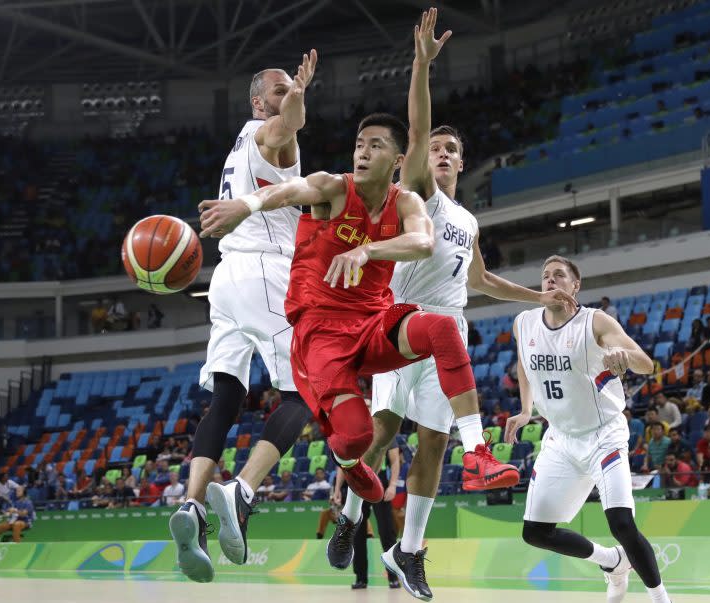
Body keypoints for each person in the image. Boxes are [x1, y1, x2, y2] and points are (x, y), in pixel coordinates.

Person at [199, 110, 528, 577]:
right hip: (320, 334)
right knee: (359, 440)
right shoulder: (333, 187)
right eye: (359, 143)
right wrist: (246, 206)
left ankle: (476, 449)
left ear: (396, 159)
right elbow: (288, 190)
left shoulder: (407, 204)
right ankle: (342, 494)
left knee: (440, 330)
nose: (362, 151)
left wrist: (368, 249)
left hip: (373, 322)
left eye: (375, 145)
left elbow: (421, 242)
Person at [324, 10, 577, 600]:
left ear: (462, 161)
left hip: (447, 335)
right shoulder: (421, 197)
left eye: (449, 150)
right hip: (400, 330)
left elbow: (482, 280)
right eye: (434, 147)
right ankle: (351, 517)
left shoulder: (467, 219)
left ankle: (409, 551)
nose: (439, 152)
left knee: (434, 444)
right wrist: (421, 65)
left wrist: (539, 295)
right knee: (377, 438)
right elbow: (416, 128)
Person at [169, 50, 319, 583]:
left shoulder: (238, 144)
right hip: (265, 274)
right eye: (276, 90)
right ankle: (242, 490)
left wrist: (293, 97)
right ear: (259, 101)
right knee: (307, 392)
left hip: (226, 280)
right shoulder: (268, 133)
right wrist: (298, 95)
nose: (285, 96)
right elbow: (290, 124)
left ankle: (191, 506)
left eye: (287, 89)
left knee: (227, 397)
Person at [506, 255, 672, 603]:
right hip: (561, 438)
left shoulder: (594, 321)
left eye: (559, 276)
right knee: (535, 532)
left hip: (603, 435)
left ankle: (660, 598)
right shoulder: (524, 322)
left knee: (622, 524)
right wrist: (525, 409)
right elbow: (524, 364)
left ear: (575, 286)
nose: (550, 281)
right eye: (545, 276)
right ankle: (611, 562)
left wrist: (623, 357)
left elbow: (646, 363)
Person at [350, 438, 401, 591]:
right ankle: (360, 578)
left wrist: (392, 485)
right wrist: (340, 488)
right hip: (359, 482)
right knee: (357, 532)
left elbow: (395, 461)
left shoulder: (387, 432)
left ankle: (393, 577)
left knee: (387, 531)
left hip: (381, 481)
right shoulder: (357, 433)